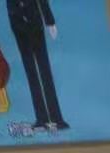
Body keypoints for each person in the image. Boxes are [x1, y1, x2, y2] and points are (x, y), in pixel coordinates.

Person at [6, 0, 67, 132]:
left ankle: (56, 117)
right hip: (17, 23)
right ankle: (41, 118)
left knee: (44, 70)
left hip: (34, 20)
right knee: (31, 72)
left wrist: (49, 21)